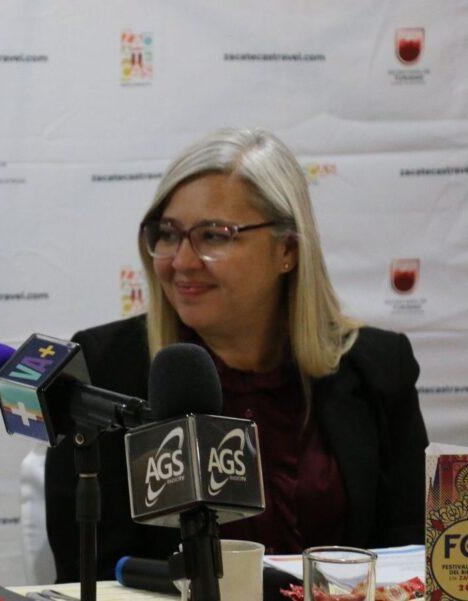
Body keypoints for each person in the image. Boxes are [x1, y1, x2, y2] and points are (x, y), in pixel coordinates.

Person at [44, 128, 428, 583]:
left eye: (213, 235)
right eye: (168, 234)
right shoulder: (105, 367)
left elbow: (411, 553)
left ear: (287, 250)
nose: (182, 261)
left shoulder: (379, 366)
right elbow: (88, 572)